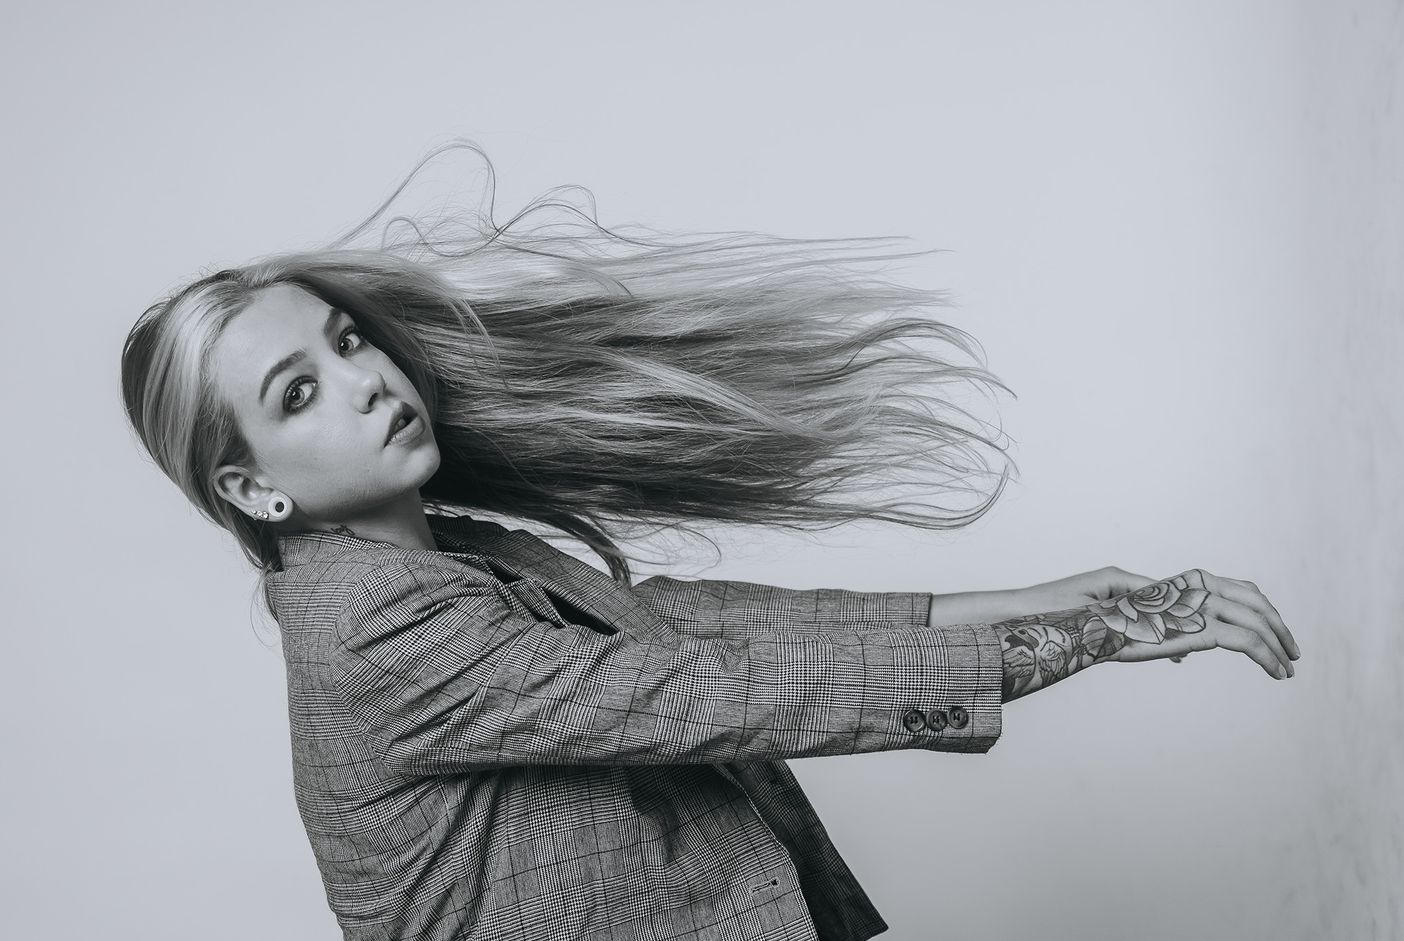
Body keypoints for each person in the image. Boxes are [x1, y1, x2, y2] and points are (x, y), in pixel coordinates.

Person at [119, 141, 1300, 941]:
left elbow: (687, 622)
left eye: (345, 341)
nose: (364, 379)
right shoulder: (372, 628)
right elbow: (697, 690)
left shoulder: (441, 549)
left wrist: (1028, 597)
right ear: (253, 488)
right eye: (296, 393)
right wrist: (1087, 637)